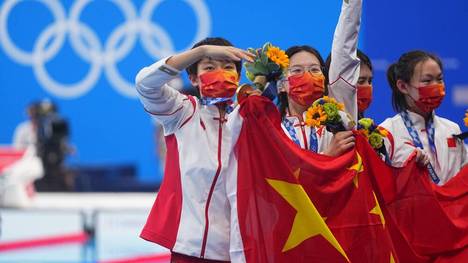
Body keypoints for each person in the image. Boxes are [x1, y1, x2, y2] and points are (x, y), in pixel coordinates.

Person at [135, 37, 255, 262]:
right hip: (190, 251)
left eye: (228, 67)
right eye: (209, 67)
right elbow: (144, 83)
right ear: (193, 78)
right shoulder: (183, 112)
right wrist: (201, 51)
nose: (220, 72)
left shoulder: (250, 120)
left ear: (238, 77)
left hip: (241, 251)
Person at [382, 50, 468, 184]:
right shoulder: (388, 132)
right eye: (427, 81)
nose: (436, 86)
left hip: (451, 205)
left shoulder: (452, 129)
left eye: (439, 79)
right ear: (403, 86)